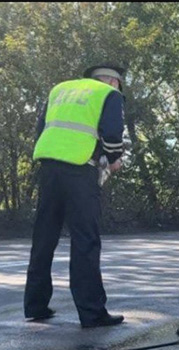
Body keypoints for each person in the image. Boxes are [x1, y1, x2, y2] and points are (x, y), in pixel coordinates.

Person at [24, 64, 126, 328]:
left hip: (49, 166)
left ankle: (35, 305)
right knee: (85, 240)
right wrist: (114, 159)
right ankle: (92, 313)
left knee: (44, 235)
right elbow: (113, 135)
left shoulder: (60, 90)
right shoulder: (109, 94)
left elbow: (41, 129)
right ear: (114, 82)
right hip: (80, 170)